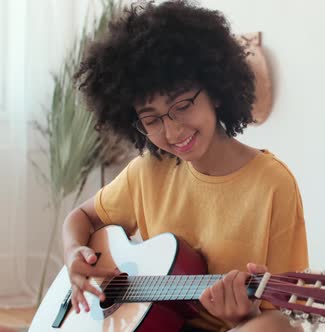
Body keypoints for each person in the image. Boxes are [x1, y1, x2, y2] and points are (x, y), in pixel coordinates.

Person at [63, 1, 308, 331]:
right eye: (151, 119)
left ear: (216, 92)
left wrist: (244, 317)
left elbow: (282, 314)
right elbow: (80, 217)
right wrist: (73, 253)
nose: (174, 131)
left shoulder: (272, 183)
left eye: (183, 105)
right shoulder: (147, 171)